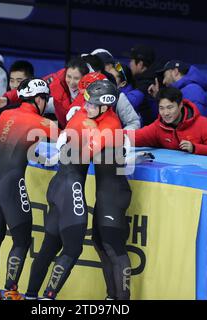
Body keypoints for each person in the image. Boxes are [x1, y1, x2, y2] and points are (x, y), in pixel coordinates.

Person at [25, 80, 136, 300]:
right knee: (79, 245)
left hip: (111, 195)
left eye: (93, 105)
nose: (87, 108)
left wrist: (67, 141)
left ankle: (118, 300)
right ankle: (35, 296)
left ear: (106, 107)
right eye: (87, 103)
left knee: (110, 247)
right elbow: (72, 133)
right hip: (79, 188)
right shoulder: (89, 114)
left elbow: (83, 154)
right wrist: (69, 135)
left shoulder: (110, 125)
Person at [0, 78, 59, 300]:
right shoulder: (41, 122)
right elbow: (72, 140)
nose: (46, 105)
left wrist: (37, 154)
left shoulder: (6, 114)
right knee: (22, 240)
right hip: (11, 184)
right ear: (38, 99)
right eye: (45, 100)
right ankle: (11, 291)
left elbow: (16, 141)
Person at [126, 87, 207, 156]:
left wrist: (195, 148)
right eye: (161, 108)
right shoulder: (158, 127)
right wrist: (111, 135)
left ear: (180, 105)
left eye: (170, 107)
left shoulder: (204, 125)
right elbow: (132, 136)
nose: (165, 113)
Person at [65, 71, 141, 130]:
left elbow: (134, 123)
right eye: (83, 93)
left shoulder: (119, 98)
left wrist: (119, 136)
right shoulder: (84, 95)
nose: (84, 97)